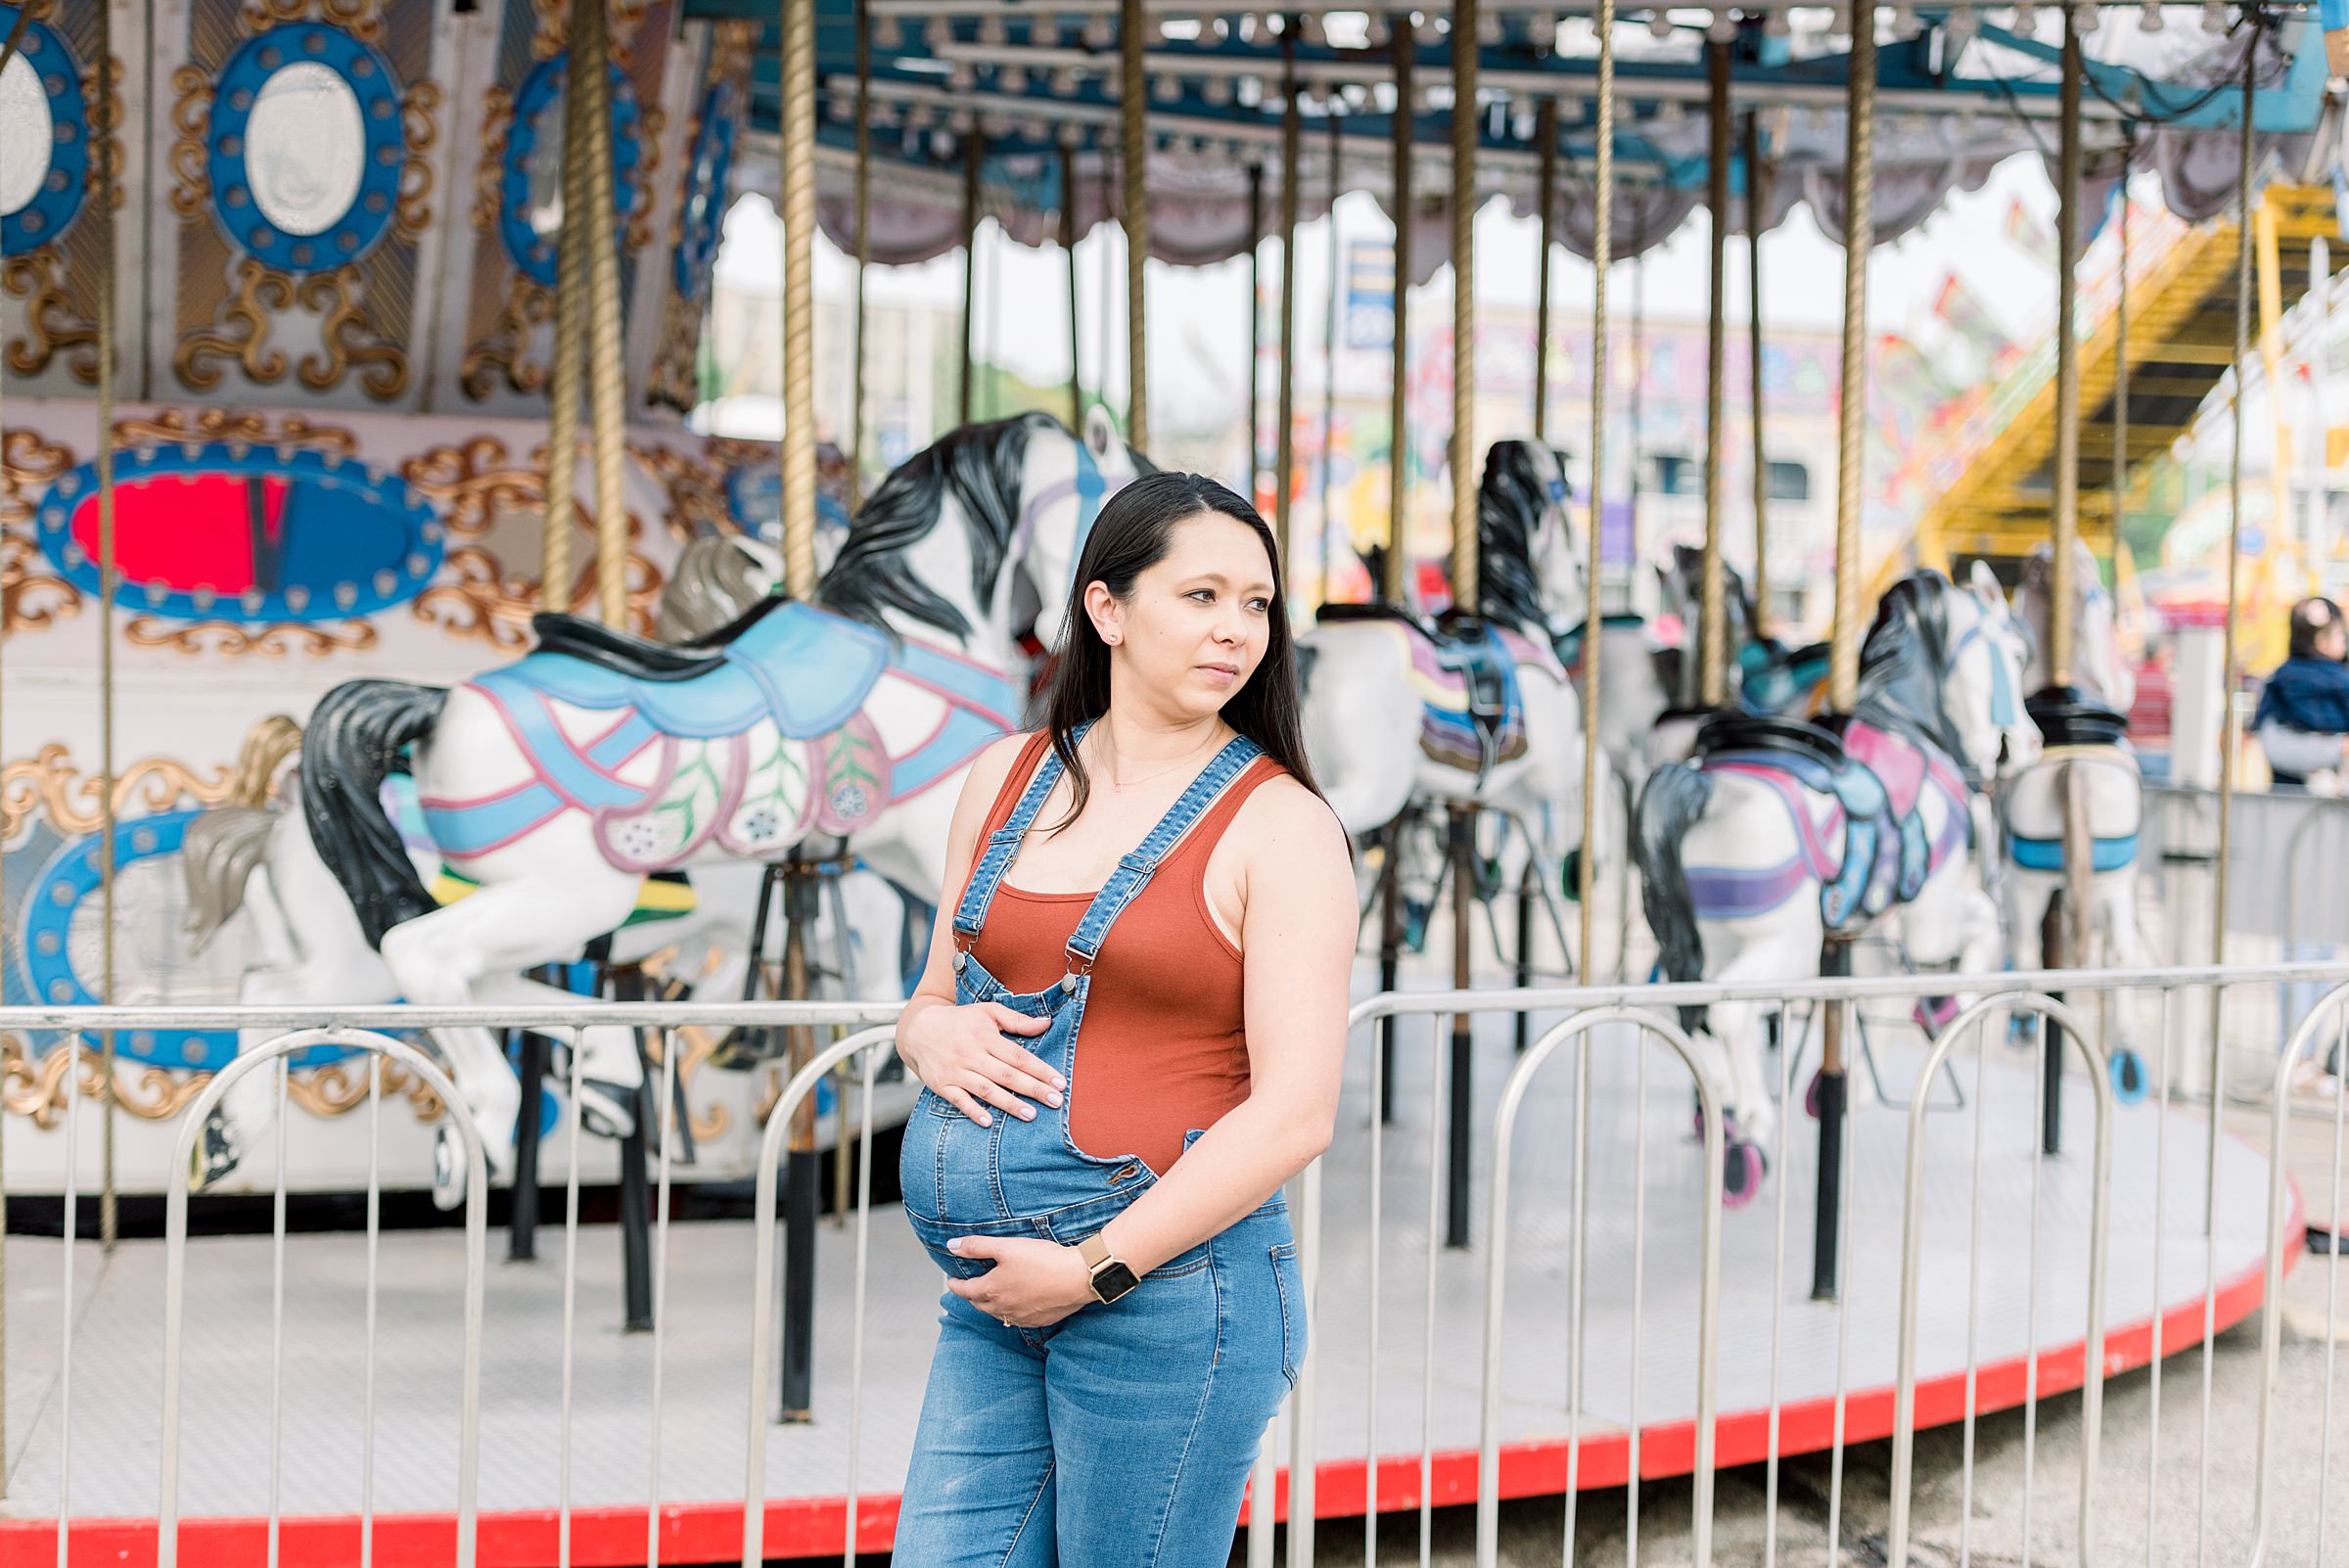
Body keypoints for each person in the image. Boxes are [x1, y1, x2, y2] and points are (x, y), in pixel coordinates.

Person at [890, 471, 1358, 1564]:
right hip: (995, 1299)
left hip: (1168, 1300)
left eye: (1256, 603)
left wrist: (1094, 1267)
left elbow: (1296, 1113)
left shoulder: (1282, 828)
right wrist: (923, 1032)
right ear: (1107, 610)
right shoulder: (1003, 779)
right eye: (1200, 596)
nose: (1234, 630)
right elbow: (931, 992)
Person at [2254, 596, 2349, 790]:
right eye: (2341, 634)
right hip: (2326, 781)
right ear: (2321, 640)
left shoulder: (2280, 679)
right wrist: (2338, 747)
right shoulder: (2340, 680)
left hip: (2288, 789)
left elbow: (2268, 734)